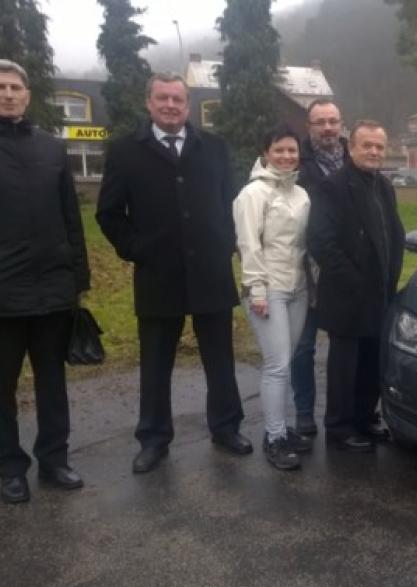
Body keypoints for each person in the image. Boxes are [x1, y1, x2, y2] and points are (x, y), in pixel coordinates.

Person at [96, 73, 252, 474]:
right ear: (148, 103)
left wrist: (224, 243)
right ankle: (153, 439)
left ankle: (226, 427)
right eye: (162, 98)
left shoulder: (214, 148)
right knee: (155, 364)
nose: (170, 105)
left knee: (220, 359)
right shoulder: (125, 151)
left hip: (210, 272)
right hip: (157, 275)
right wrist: (137, 250)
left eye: (177, 99)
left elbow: (232, 203)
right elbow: (109, 214)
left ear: (188, 105)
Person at [0, 59, 90, 503]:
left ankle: (54, 460)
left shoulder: (52, 149)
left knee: (52, 382)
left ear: (28, 95)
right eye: (0, 88)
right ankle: (9, 467)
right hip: (4, 292)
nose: (8, 94)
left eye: (15, 87)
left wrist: (79, 277)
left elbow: (72, 217)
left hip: (53, 288)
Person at [308, 120, 405, 452]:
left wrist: (390, 280)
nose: (374, 151)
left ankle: (365, 417)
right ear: (351, 148)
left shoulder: (385, 186)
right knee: (344, 367)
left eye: (379, 146)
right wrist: (354, 280)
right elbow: (321, 241)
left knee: (371, 361)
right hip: (348, 295)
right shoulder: (332, 187)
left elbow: (393, 234)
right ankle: (339, 427)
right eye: (367, 145)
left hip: (380, 293)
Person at [233, 124, 312, 471]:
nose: (286, 156)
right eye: (279, 150)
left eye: (292, 150)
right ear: (266, 154)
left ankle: (281, 428)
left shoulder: (301, 194)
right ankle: (275, 437)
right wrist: (257, 290)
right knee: (277, 365)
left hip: (298, 289)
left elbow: (307, 246)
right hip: (268, 290)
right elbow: (248, 245)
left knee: (286, 361)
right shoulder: (253, 194)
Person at [290, 99, 349, 436]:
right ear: (309, 126)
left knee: (346, 344)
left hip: (346, 267)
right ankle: (304, 412)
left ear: (341, 123)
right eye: (320, 122)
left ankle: (346, 412)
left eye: (333, 121)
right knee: (303, 346)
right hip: (306, 270)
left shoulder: (355, 157)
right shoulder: (295, 162)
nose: (327, 128)